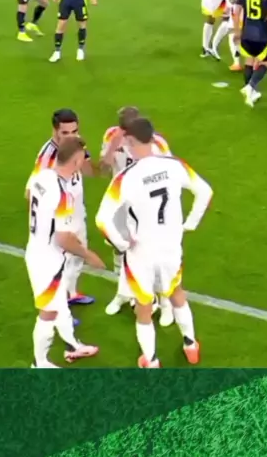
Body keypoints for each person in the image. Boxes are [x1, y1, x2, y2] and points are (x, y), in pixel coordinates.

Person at [95, 117, 213, 369]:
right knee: (177, 293)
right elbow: (205, 191)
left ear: (130, 141)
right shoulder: (174, 165)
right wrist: (190, 223)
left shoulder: (126, 178)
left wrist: (122, 243)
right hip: (170, 246)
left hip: (141, 251)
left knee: (144, 306)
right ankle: (190, 344)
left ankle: (150, 359)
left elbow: (102, 219)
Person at [26, 136, 103, 368]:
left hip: (39, 249)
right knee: (48, 313)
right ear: (76, 161)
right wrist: (88, 255)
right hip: (47, 260)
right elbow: (63, 238)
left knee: (60, 303)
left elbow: (30, 198)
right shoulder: (63, 194)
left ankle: (72, 345)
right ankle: (40, 363)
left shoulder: (43, 176)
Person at [99, 106, 175, 327]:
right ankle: (123, 293)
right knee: (119, 247)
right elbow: (103, 170)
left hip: (148, 207)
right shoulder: (112, 136)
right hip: (122, 204)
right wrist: (112, 148)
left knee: (154, 252)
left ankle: (165, 303)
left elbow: (169, 174)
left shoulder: (156, 144)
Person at [25, 109, 96, 307]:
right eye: (65, 133)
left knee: (78, 254)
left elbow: (90, 173)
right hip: (60, 217)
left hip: (76, 211)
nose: (71, 137)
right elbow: (31, 191)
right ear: (55, 131)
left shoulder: (76, 146)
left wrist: (84, 157)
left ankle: (71, 293)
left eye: (75, 131)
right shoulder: (48, 157)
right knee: (61, 260)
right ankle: (60, 306)